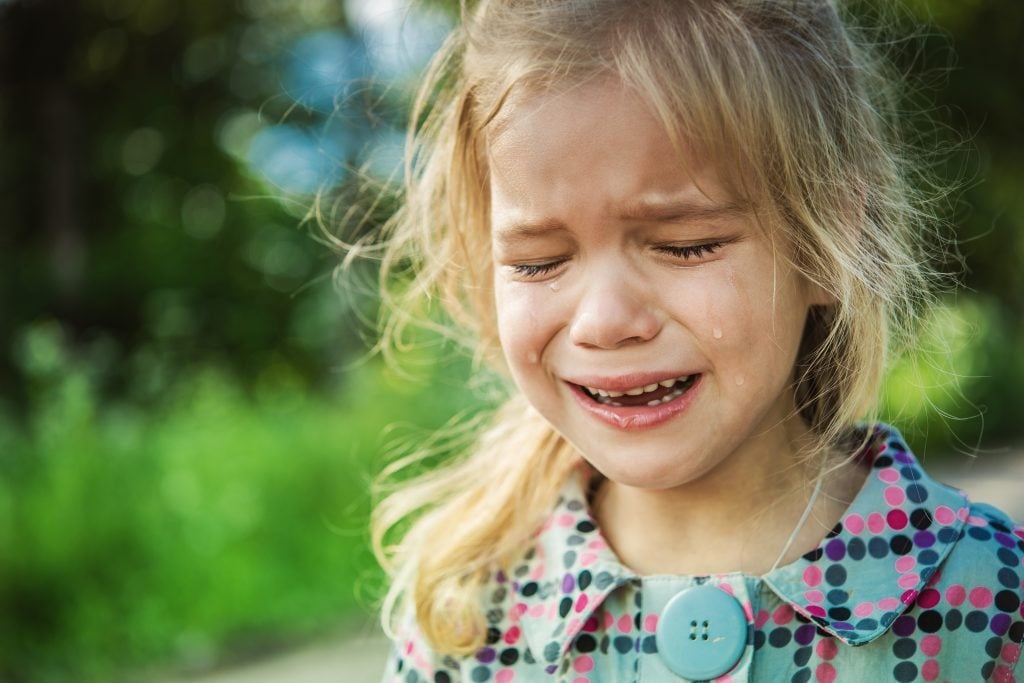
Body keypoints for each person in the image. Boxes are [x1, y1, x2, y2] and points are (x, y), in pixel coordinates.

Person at [364, 0, 1024, 680]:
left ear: (828, 243)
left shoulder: (995, 604)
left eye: (686, 245)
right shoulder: (463, 618)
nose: (603, 321)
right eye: (539, 262)